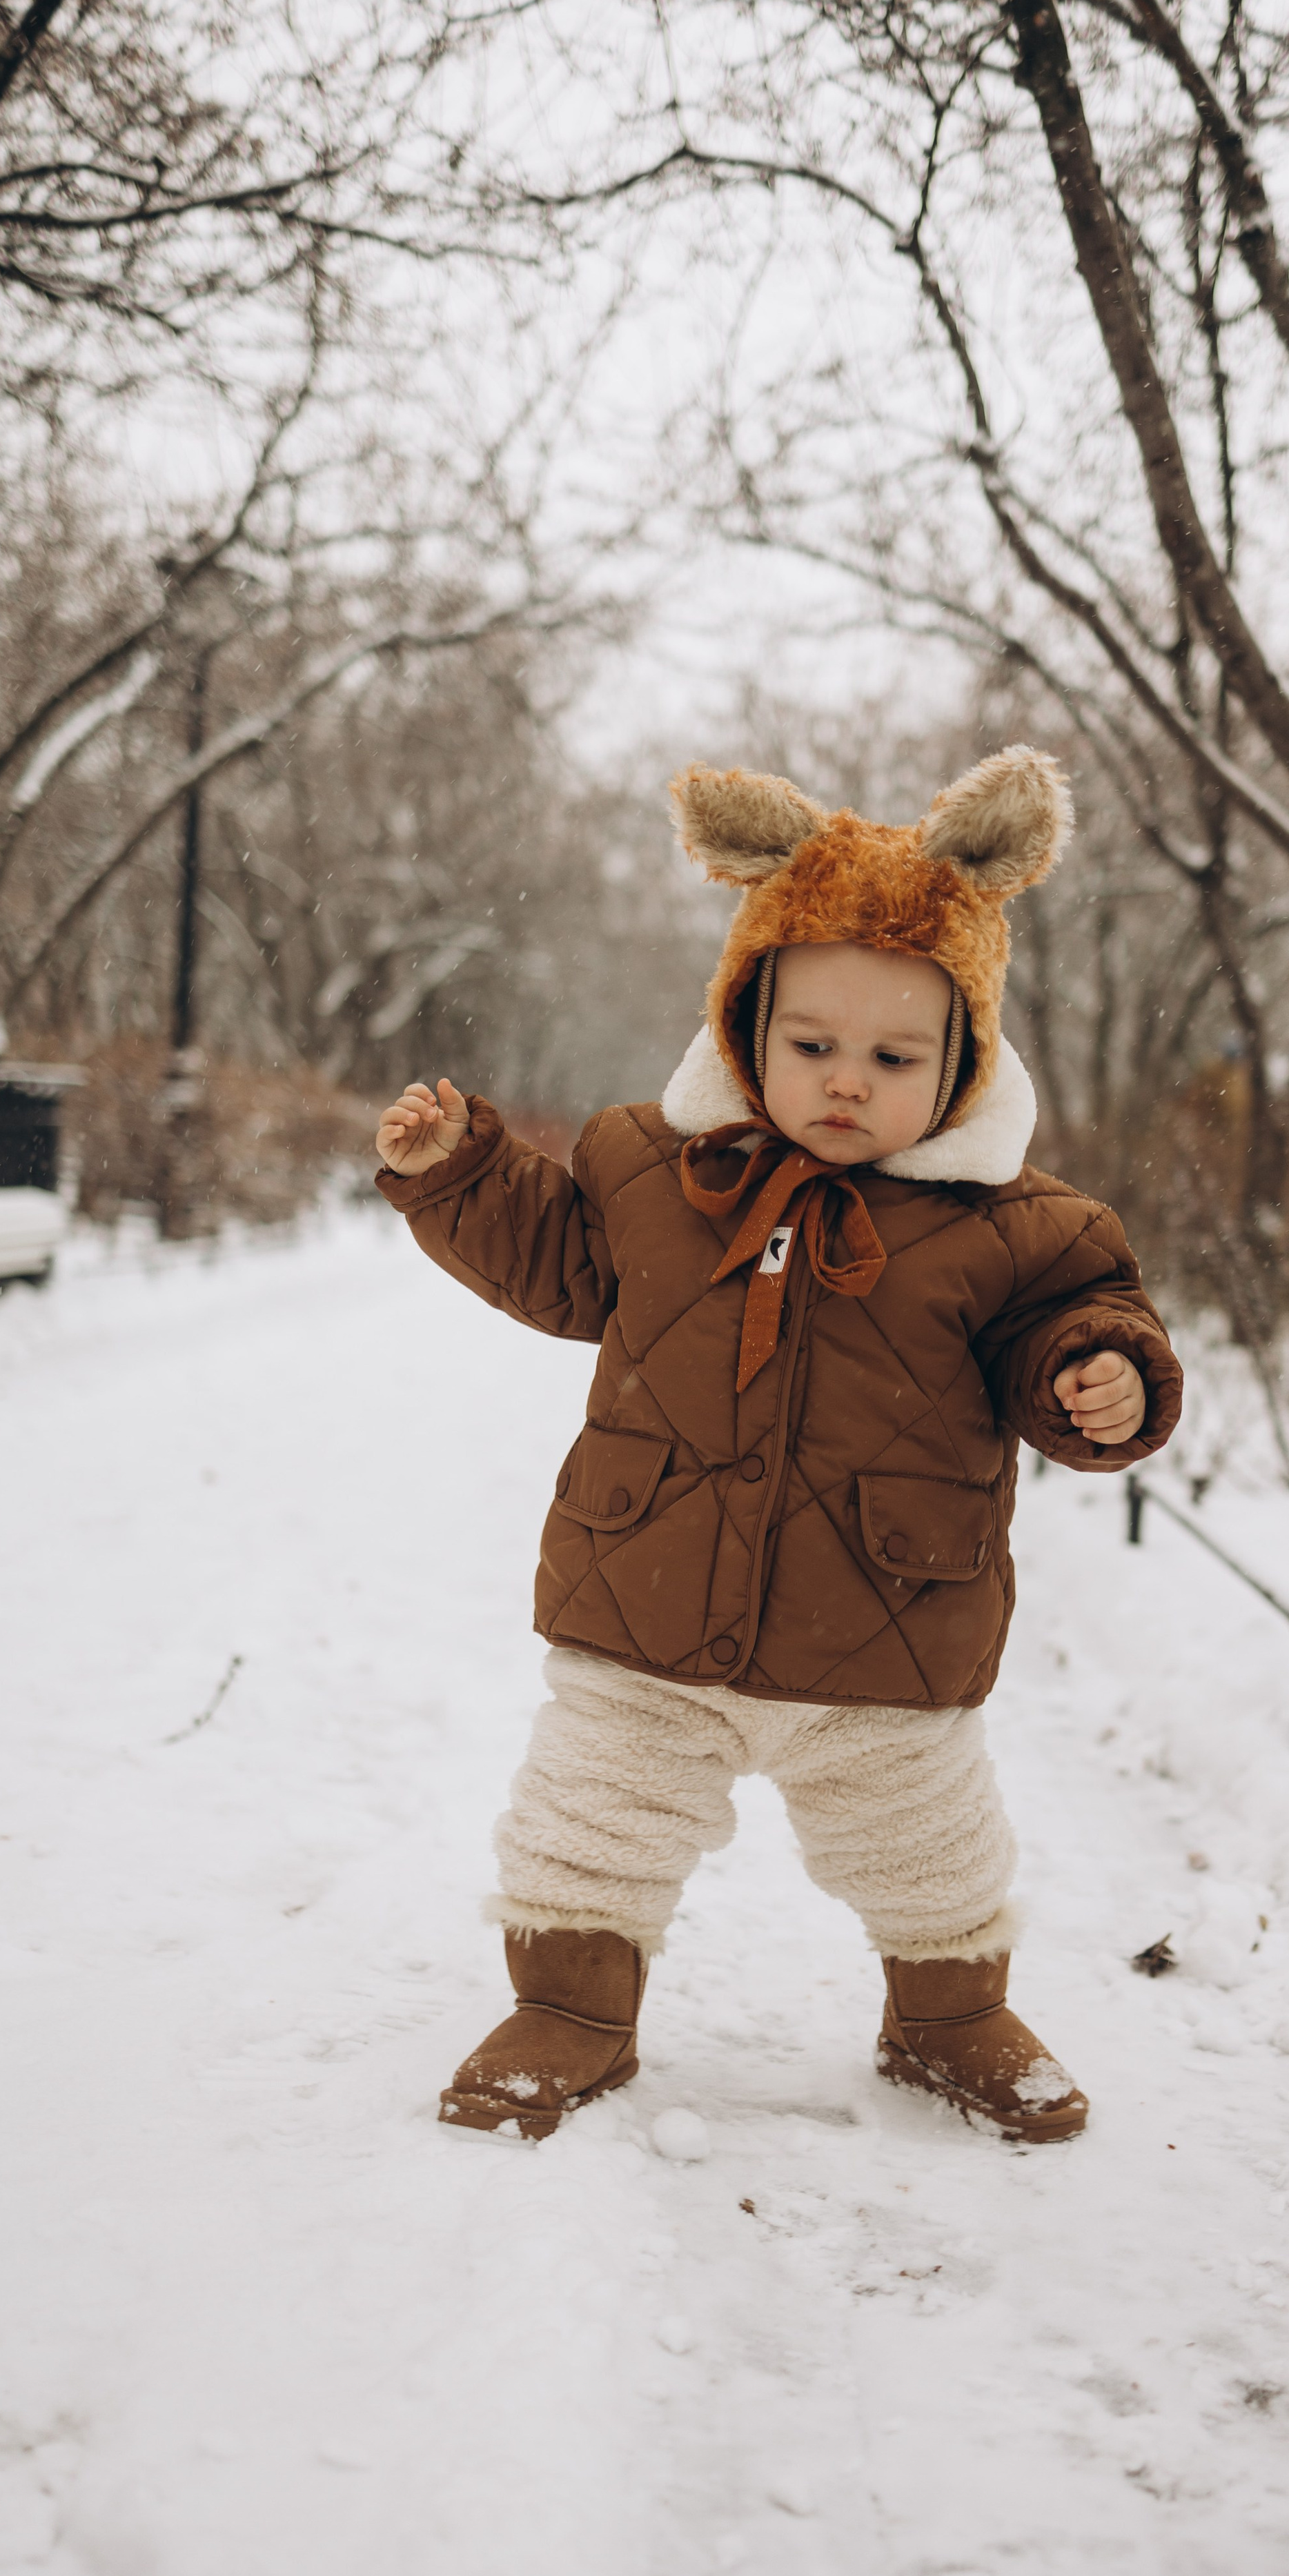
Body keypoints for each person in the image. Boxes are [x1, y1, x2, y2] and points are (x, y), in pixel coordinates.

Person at [374, 746, 1183, 2146]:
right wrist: (459, 1175)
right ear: (746, 1024)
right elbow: (561, 1268)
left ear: (966, 1057)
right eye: (811, 1045)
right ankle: (570, 2007)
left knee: (927, 1847)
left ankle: (946, 2016)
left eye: (893, 1057)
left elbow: (1072, 1325)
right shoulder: (651, 1167)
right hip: (649, 1600)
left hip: (884, 1625)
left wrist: (1094, 1377)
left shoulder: (1017, 1231)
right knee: (590, 1822)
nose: (847, 1083)